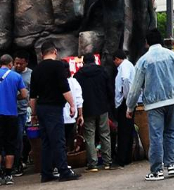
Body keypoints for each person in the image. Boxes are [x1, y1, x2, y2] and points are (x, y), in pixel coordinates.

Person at [126, 29, 174, 182]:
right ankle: (171, 165)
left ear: (147, 42)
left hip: (154, 104)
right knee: (171, 133)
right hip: (173, 100)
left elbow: (135, 87)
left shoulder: (143, 61)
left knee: (156, 136)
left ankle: (157, 170)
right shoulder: (173, 56)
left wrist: (130, 107)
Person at [29, 42, 80, 182]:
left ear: (42, 54)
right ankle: (64, 171)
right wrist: (72, 104)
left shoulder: (36, 70)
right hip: (54, 108)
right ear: (55, 52)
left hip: (41, 108)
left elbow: (32, 96)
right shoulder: (58, 66)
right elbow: (64, 88)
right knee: (58, 140)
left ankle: (46, 172)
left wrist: (33, 114)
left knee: (46, 141)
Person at [73, 53, 114, 171]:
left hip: (87, 109)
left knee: (89, 136)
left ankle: (93, 164)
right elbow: (109, 89)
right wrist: (109, 103)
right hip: (102, 107)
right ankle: (107, 162)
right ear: (94, 61)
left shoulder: (78, 75)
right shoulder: (103, 71)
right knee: (105, 134)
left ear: (84, 62)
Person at [0, 54, 27, 185]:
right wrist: (14, 97)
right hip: (11, 115)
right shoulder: (16, 76)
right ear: (10, 64)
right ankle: (8, 174)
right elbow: (24, 94)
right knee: (10, 144)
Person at [112, 50, 135, 167]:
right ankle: (127, 157)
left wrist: (125, 96)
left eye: (114, 61)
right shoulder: (128, 65)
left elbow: (125, 79)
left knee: (123, 131)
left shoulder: (124, 66)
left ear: (117, 59)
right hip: (127, 101)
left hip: (125, 102)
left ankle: (121, 158)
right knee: (128, 129)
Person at [11, 52, 31, 177]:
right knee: (14, 138)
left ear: (26, 63)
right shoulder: (10, 73)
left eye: (21, 63)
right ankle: (15, 163)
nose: (18, 66)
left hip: (24, 111)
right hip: (11, 111)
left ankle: (21, 161)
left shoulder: (31, 75)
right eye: (16, 63)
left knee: (23, 137)